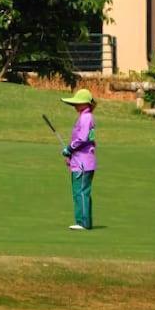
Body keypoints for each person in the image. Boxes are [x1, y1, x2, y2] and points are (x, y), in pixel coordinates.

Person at [61, 88, 97, 230]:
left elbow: (82, 139)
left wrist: (69, 149)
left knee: (81, 192)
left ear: (85, 103)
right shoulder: (85, 116)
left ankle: (83, 223)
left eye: (78, 103)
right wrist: (71, 154)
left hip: (83, 162)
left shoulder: (86, 117)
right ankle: (83, 221)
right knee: (80, 192)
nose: (75, 106)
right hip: (80, 160)